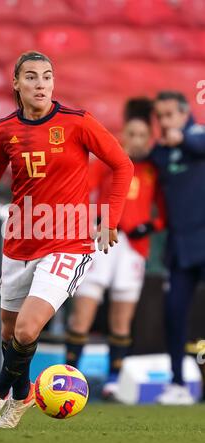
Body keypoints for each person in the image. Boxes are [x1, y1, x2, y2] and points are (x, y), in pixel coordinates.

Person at [0, 51, 133, 429]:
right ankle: (24, 394)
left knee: (27, 330)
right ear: (16, 84)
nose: (40, 84)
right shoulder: (3, 130)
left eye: (46, 77)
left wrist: (110, 216)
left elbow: (122, 164)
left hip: (68, 243)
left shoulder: (78, 123)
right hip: (20, 241)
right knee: (11, 334)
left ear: (53, 83)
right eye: (31, 77)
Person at [65, 98, 166, 398]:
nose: (135, 140)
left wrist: (151, 226)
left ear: (149, 140)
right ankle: (69, 377)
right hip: (101, 242)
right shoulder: (110, 163)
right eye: (130, 134)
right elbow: (81, 189)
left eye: (141, 136)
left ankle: (113, 381)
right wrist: (97, 216)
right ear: (122, 135)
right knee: (83, 311)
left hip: (134, 249)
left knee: (121, 318)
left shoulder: (153, 171)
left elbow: (164, 211)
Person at [151, 91, 205, 405]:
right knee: (174, 314)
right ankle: (177, 383)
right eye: (161, 117)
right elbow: (144, 157)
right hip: (180, 246)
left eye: (170, 115)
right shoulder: (162, 152)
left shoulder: (197, 136)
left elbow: (198, 145)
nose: (165, 122)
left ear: (185, 114)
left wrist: (179, 139)